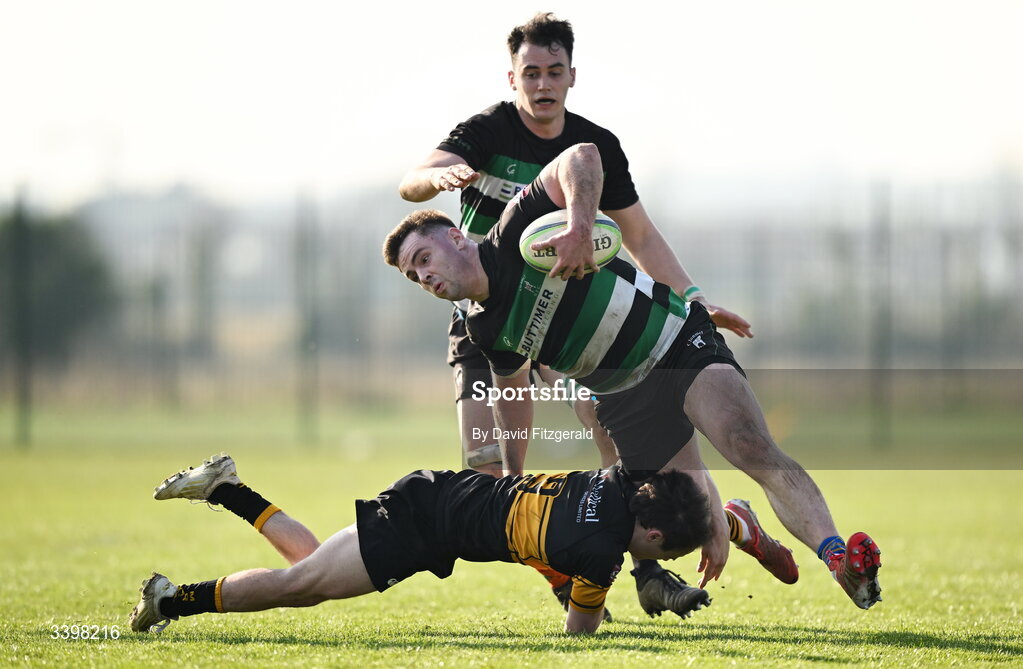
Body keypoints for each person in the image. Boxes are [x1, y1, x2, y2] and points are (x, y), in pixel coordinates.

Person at [383, 144, 883, 610]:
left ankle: (840, 559)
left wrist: (579, 226)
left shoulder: (517, 231)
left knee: (746, 443)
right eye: (412, 275)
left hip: (672, 342)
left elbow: (582, 156)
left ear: (455, 237)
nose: (423, 277)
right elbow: (511, 394)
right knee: (667, 525)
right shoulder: (483, 326)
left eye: (423, 259)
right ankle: (737, 525)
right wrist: (512, 479)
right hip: (622, 396)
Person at [398, 11, 754, 620]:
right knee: (487, 466)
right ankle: (569, 580)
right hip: (489, 325)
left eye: (553, 71)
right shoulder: (487, 130)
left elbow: (640, 234)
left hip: (571, 317)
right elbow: (412, 179)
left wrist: (692, 299)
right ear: (512, 77)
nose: (541, 83)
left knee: (615, 435)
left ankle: (647, 569)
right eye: (529, 72)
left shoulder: (596, 144)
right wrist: (437, 177)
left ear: (570, 76)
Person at [129, 453, 719, 635]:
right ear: (655, 536)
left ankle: (228, 490)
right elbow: (580, 637)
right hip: (424, 526)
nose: (654, 562)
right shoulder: (601, 557)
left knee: (312, 570)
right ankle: (171, 600)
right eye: (662, 555)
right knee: (299, 588)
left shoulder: (616, 477)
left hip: (443, 494)